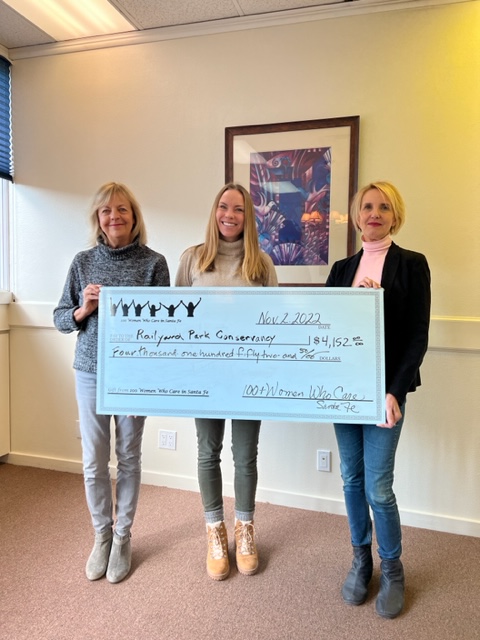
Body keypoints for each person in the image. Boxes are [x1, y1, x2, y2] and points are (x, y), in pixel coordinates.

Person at [53, 182, 170, 584]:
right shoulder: (82, 262)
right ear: (98, 219)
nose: (114, 216)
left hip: (134, 375)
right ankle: (101, 535)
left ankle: (123, 537)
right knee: (93, 460)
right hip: (90, 371)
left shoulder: (154, 263)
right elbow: (60, 318)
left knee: (129, 457)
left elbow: (166, 328)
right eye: (106, 210)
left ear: (134, 217)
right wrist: (84, 308)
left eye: (122, 209)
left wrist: (149, 380)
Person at [326, 181, 430, 619]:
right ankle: (360, 560)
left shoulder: (412, 264)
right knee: (351, 480)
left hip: (385, 392)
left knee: (378, 487)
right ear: (356, 216)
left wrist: (394, 392)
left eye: (384, 207)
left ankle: (392, 569)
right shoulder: (341, 269)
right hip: (342, 392)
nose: (374, 213)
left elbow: (417, 336)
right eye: (367, 206)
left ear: (395, 216)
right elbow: (325, 329)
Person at [175, 182, 278, 580]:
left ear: (248, 216)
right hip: (204, 377)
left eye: (238, 209)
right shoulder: (192, 259)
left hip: (248, 377)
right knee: (208, 452)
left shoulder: (262, 264)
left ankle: (245, 530)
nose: (229, 215)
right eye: (223, 207)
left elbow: (274, 324)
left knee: (246, 455)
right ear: (214, 211)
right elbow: (174, 320)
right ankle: (215, 531)